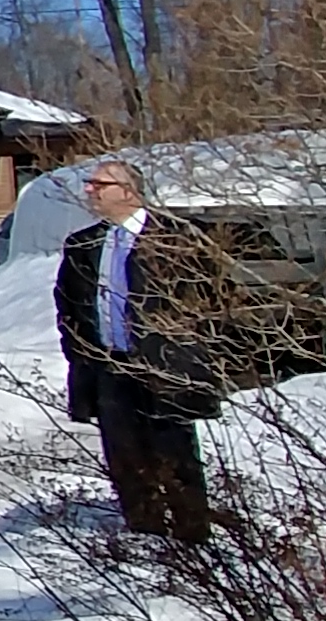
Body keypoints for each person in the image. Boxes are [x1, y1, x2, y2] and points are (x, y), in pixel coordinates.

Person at [55, 158, 219, 543]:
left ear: (128, 191)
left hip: (165, 368)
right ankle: (143, 530)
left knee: (174, 452)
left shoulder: (175, 239)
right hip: (110, 366)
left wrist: (190, 357)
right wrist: (80, 353)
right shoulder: (84, 243)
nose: (89, 191)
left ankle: (191, 535)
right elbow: (68, 304)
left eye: (99, 185)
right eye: (89, 184)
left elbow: (209, 300)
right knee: (124, 454)